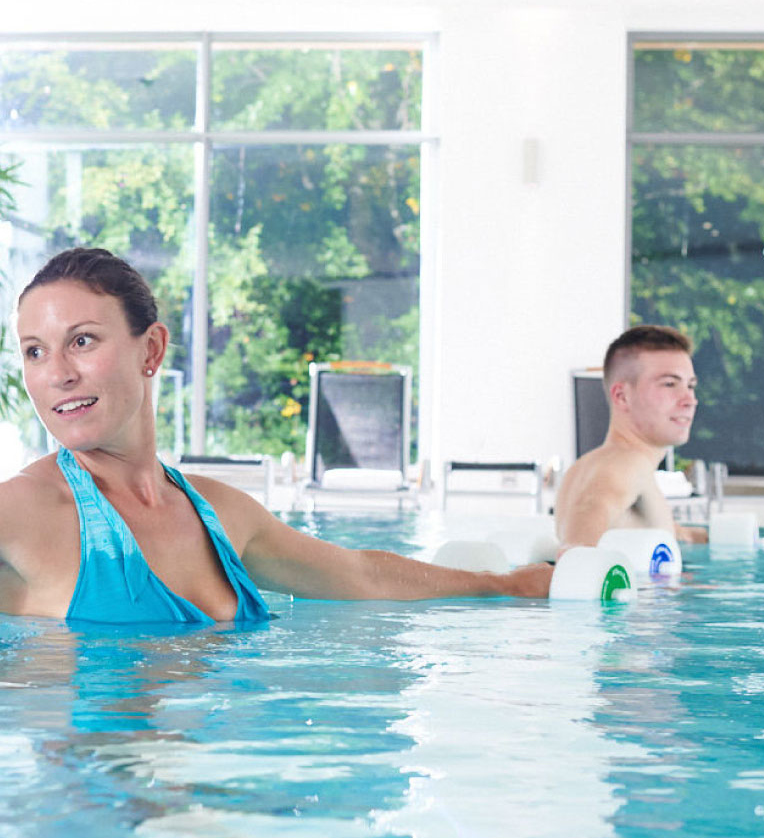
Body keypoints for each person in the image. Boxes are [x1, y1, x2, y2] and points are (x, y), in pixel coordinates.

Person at [0, 247, 551, 623]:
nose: (57, 374)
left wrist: (504, 586)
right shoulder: (24, 510)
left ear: (152, 350)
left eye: (83, 341)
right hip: (88, 794)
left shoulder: (222, 513)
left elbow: (360, 575)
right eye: (34, 351)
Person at [554, 324, 703, 548]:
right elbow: (579, 545)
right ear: (622, 396)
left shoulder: (586, 466)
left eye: (690, 386)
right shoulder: (626, 465)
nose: (689, 400)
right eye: (670, 384)